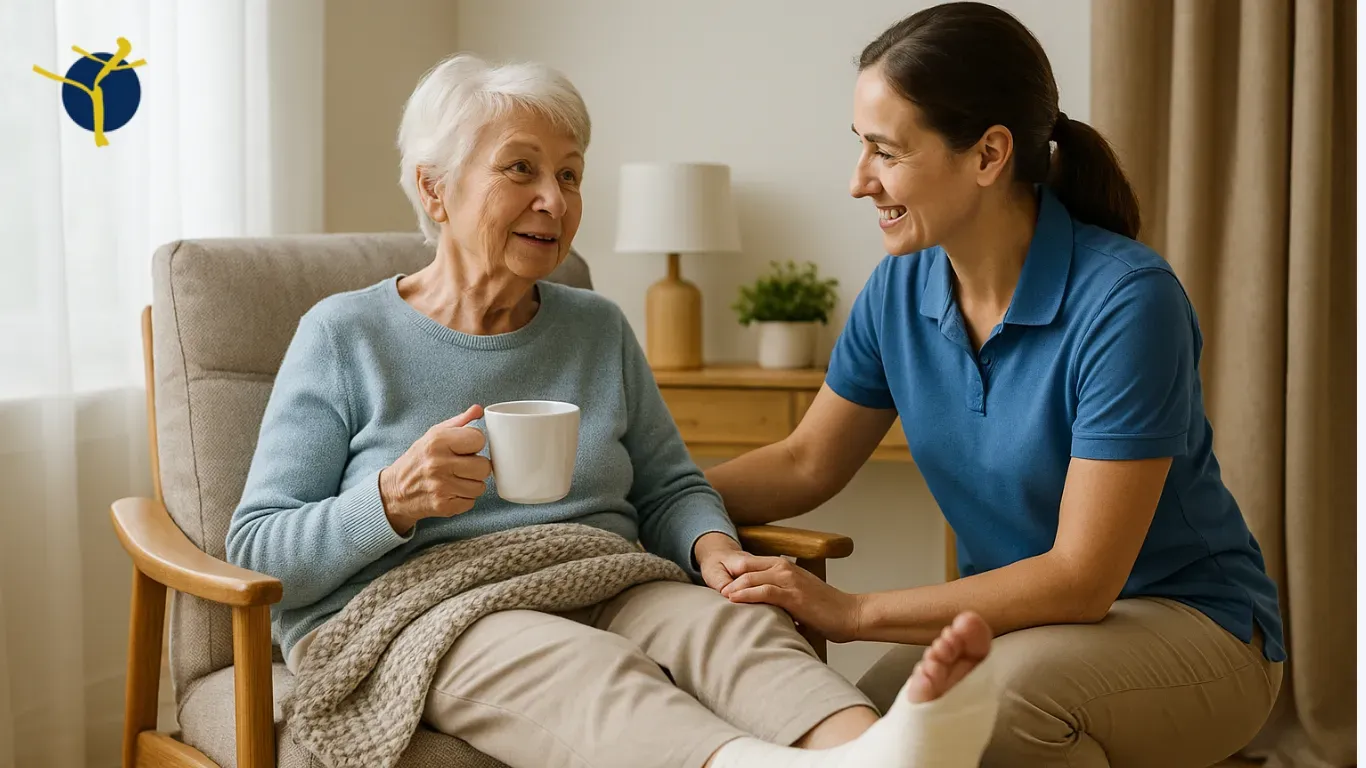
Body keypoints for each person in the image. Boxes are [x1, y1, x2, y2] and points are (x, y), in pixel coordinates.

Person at [227, 52, 1002, 768]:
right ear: (435, 187)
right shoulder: (345, 334)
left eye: (570, 174)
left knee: (730, 625)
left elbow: (668, 485)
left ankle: (869, 751)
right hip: (438, 610)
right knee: (583, 668)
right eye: (520, 170)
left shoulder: (595, 325)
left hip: (605, 577)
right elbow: (257, 550)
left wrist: (709, 548)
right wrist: (389, 502)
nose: (553, 200)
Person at [705, 3, 1286, 767]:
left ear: (988, 154)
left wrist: (851, 613)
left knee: (998, 711)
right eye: (860, 149)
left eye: (885, 152)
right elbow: (806, 462)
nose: (858, 183)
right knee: (848, 731)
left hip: (1191, 627)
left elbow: (1082, 581)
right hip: (1018, 632)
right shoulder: (896, 291)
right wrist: (654, 495)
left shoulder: (1127, 300)